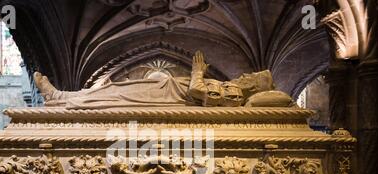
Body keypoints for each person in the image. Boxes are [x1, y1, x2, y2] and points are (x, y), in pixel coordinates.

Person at [34, 51, 295, 109]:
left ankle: (60, 98)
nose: (248, 75)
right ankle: (62, 96)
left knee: (114, 94)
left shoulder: (234, 94)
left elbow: (197, 92)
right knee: (114, 88)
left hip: (169, 95)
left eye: (254, 77)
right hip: (165, 87)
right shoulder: (232, 87)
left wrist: (197, 70)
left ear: (255, 87)